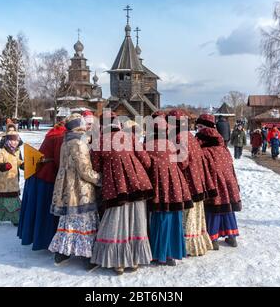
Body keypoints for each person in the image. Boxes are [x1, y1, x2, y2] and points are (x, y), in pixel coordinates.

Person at [90, 112, 153, 275]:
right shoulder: (130, 137)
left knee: (115, 221)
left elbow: (95, 167)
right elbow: (146, 160)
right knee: (136, 220)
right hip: (137, 183)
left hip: (115, 186)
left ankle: (117, 262)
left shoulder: (99, 141)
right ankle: (134, 259)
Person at [49, 114, 101, 269]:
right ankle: (87, 257)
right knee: (83, 220)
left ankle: (62, 253)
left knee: (68, 220)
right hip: (79, 188)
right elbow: (85, 170)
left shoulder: (66, 141)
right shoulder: (78, 143)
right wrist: (100, 178)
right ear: (79, 125)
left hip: (65, 186)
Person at [144, 112, 192, 267]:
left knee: (161, 218)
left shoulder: (148, 146)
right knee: (174, 218)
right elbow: (183, 163)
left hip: (160, 186)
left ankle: (160, 254)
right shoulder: (172, 143)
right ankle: (172, 253)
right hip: (175, 184)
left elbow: (145, 166)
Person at [167, 110, 215, 257]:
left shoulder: (179, 137)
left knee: (189, 214)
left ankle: (189, 246)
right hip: (197, 180)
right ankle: (199, 243)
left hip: (188, 181)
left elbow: (182, 162)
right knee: (196, 214)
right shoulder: (189, 136)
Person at [195, 114, 242, 250]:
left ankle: (213, 238)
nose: (198, 129)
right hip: (228, 180)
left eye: (200, 126)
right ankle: (231, 236)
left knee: (214, 208)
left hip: (213, 182)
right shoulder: (222, 146)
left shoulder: (202, 146)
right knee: (227, 207)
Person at [18, 122, 67, 251]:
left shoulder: (53, 134)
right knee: (45, 210)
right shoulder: (60, 137)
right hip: (46, 177)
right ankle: (45, 240)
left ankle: (36, 237)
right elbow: (58, 160)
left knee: (36, 209)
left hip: (37, 175)